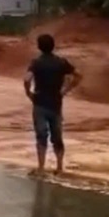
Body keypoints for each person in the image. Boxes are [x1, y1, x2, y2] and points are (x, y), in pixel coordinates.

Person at [24, 34, 82, 175]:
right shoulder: (61, 62)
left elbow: (27, 79)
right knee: (57, 136)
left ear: (39, 47)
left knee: (41, 135)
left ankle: (41, 168)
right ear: (53, 46)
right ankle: (59, 167)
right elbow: (78, 75)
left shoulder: (36, 62)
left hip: (39, 103)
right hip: (56, 103)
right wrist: (65, 90)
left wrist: (29, 93)